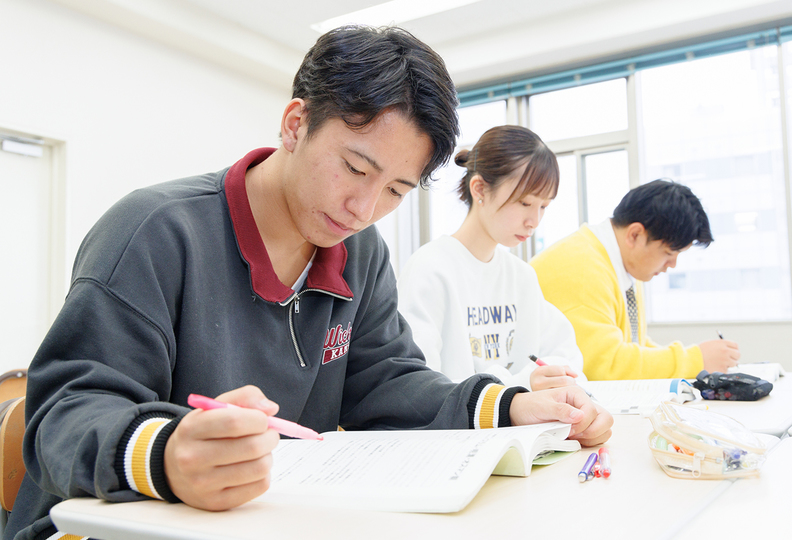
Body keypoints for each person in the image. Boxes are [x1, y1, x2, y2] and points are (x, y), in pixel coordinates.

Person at [8, 26, 612, 540]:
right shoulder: (156, 231)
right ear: (296, 123)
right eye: (355, 167)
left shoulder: (359, 252)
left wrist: (512, 407)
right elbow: (65, 413)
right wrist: (166, 454)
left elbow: (388, 384)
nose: (363, 207)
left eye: (396, 191)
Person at [398, 125, 584, 391]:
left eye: (544, 206)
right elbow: (417, 384)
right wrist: (521, 383)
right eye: (524, 203)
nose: (534, 221)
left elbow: (567, 356)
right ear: (480, 189)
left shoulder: (521, 276)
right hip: (456, 428)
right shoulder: (430, 269)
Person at [530, 179, 740, 380]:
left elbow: (632, 344)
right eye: (668, 253)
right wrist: (695, 360)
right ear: (635, 235)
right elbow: (604, 366)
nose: (673, 264)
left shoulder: (617, 262)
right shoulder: (581, 269)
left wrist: (696, 360)